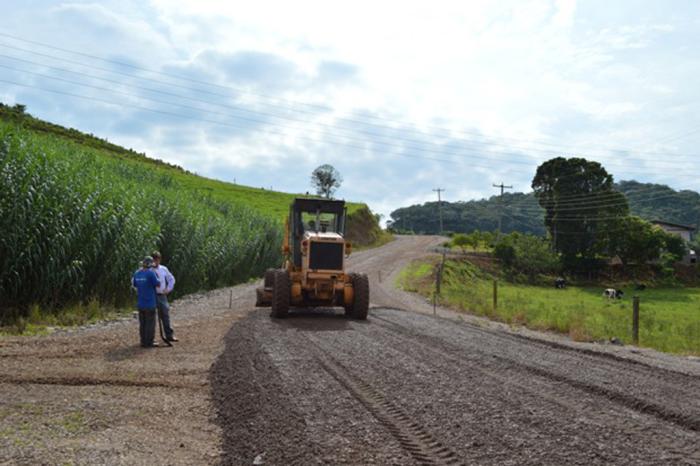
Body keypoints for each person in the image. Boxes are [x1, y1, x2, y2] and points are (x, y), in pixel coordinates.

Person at [132, 256, 160, 348]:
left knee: (143, 324)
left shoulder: (137, 273)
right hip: (150, 303)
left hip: (140, 303)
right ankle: (149, 342)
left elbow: (135, 284)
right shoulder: (151, 273)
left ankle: (143, 341)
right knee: (150, 324)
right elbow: (157, 284)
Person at [152, 251, 177, 342]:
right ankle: (151, 338)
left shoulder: (163, 269)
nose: (155, 261)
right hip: (152, 296)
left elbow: (171, 279)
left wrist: (168, 289)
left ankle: (169, 335)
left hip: (162, 295)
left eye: (157, 259)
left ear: (159, 260)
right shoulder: (149, 270)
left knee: (165, 315)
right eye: (154, 259)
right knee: (151, 316)